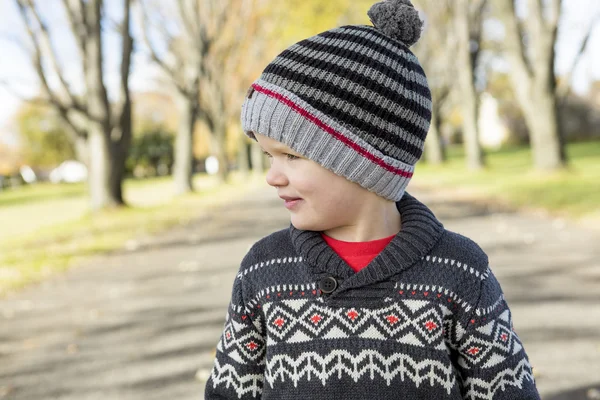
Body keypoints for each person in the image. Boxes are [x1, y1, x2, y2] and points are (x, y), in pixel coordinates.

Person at [204, 0, 541, 398]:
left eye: (291, 156)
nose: (272, 176)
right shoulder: (264, 270)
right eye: (268, 155)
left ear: (363, 163)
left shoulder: (460, 273)